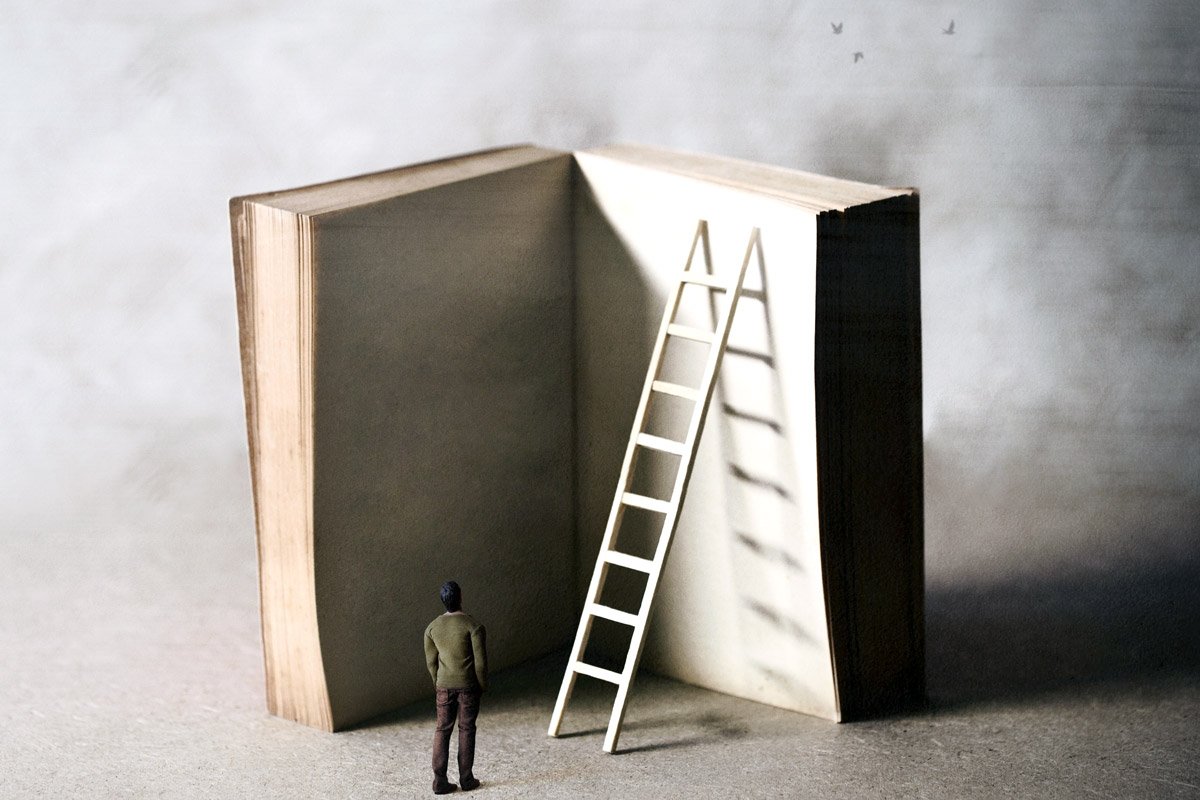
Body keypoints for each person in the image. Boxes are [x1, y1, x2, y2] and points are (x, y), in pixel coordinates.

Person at [424, 580, 487, 794]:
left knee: (442, 729)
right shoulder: (473, 626)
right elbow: (480, 663)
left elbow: (431, 662)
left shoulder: (432, 628)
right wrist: (482, 685)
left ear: (443, 600)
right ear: (460, 597)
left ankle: (439, 781)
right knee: (466, 729)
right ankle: (466, 779)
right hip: (468, 686)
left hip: (443, 685)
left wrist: (438, 682)